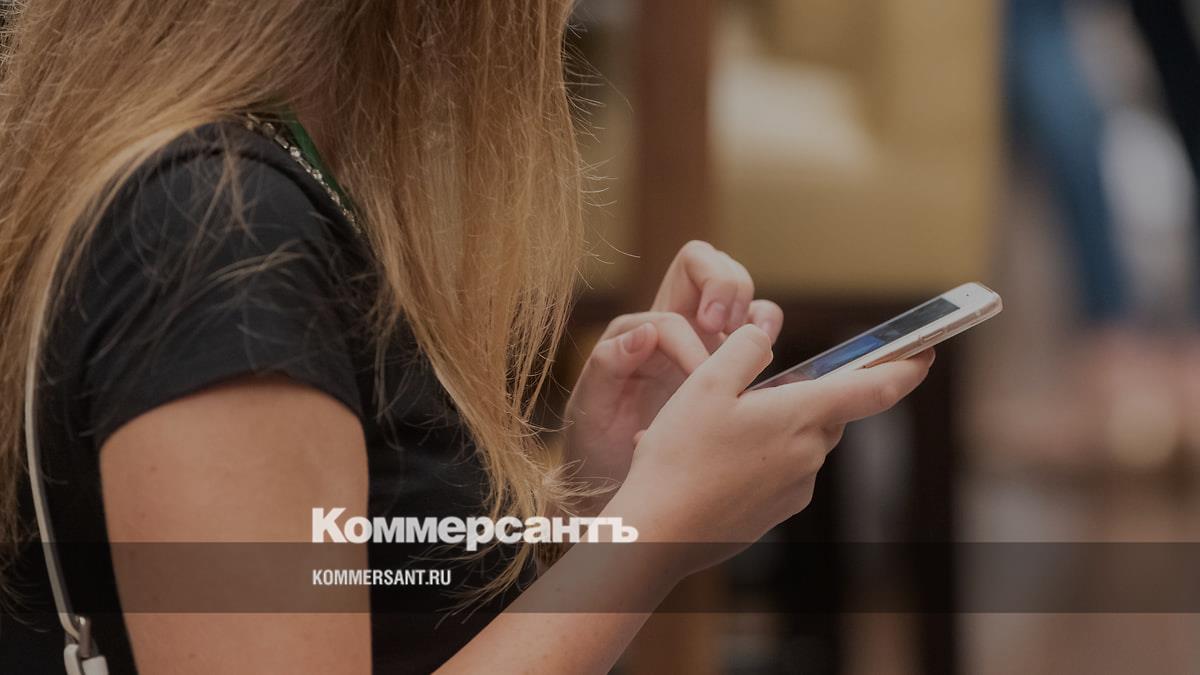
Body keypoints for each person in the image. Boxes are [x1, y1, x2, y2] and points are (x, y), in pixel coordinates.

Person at [0, 2, 933, 673]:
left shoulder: (247, 184)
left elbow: (367, 590)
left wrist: (595, 512)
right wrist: (653, 531)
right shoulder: (217, 236)